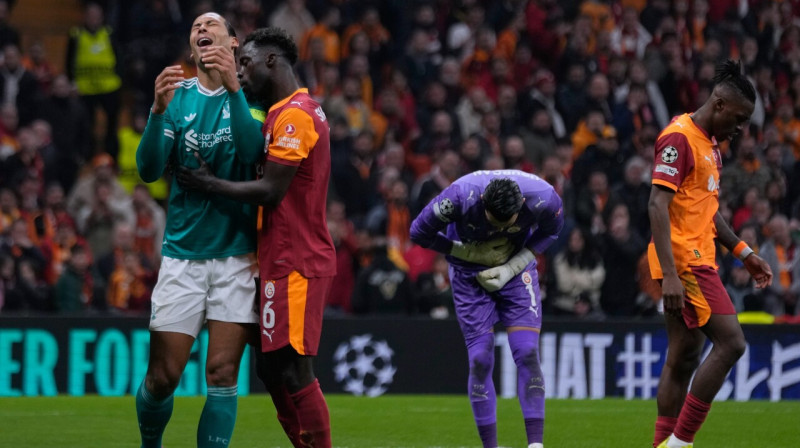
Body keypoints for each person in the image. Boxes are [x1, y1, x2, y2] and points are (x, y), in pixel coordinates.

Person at [176, 27, 335, 447]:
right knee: (269, 368)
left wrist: (207, 183)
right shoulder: (276, 116)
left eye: (245, 63)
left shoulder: (298, 115)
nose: (241, 73)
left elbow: (271, 190)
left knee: (296, 368)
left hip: (298, 261)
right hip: (275, 259)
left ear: (271, 61)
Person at [133, 12, 266, 448]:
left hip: (237, 256)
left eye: (212, 25)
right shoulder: (176, 99)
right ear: (193, 48)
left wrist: (232, 90)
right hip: (183, 257)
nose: (202, 30)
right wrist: (155, 111)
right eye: (196, 28)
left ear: (232, 44)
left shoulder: (253, 98)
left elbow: (250, 154)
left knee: (222, 373)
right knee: (163, 377)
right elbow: (149, 170)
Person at [648, 60, 773, 448]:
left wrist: (743, 251)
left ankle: (662, 444)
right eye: (738, 118)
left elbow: (707, 210)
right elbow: (656, 204)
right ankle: (679, 444)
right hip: (684, 261)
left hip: (698, 256)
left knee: (684, 355)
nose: (741, 128)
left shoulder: (712, 147)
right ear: (719, 104)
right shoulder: (679, 139)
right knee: (732, 343)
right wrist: (670, 273)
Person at [409, 170, 564, 448]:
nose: (502, 229)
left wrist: (513, 267)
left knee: (527, 352)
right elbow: (418, 231)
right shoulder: (458, 197)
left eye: (509, 223)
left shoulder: (543, 197)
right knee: (480, 359)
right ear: (483, 204)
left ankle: (536, 445)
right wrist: (463, 251)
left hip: (516, 271)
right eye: (496, 222)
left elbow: (552, 231)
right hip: (468, 274)